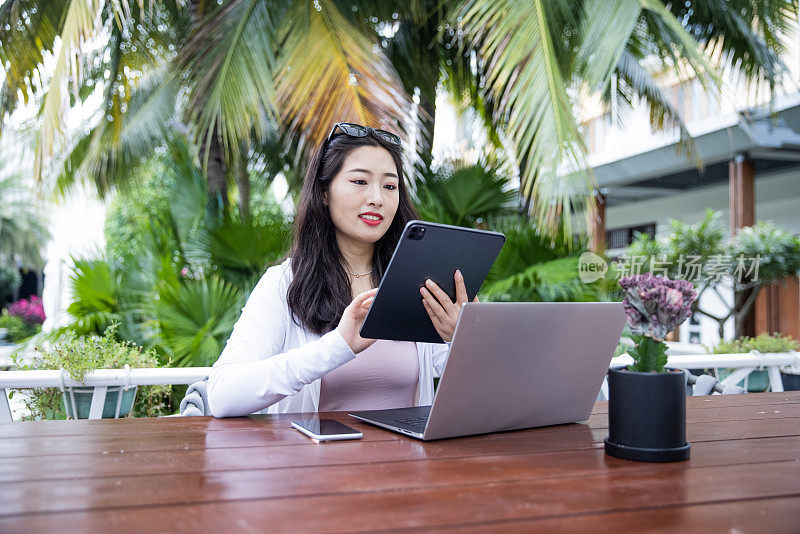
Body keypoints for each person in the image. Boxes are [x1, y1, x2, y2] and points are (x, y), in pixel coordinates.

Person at [207, 122, 473, 417]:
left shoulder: (417, 283)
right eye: (360, 182)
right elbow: (222, 394)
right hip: (314, 463)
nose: (377, 198)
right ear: (323, 192)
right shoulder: (285, 283)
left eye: (389, 186)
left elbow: (472, 390)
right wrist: (338, 345)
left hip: (409, 463)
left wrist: (462, 337)